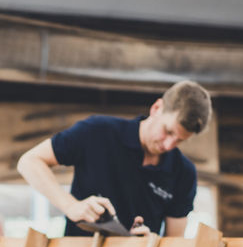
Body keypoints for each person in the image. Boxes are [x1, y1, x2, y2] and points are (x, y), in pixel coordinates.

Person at [17, 80, 212, 237]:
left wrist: (153, 243)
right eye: (168, 131)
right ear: (156, 108)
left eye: (179, 140)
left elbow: (174, 243)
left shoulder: (184, 173)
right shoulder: (97, 132)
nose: (168, 145)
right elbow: (29, 162)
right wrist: (71, 206)